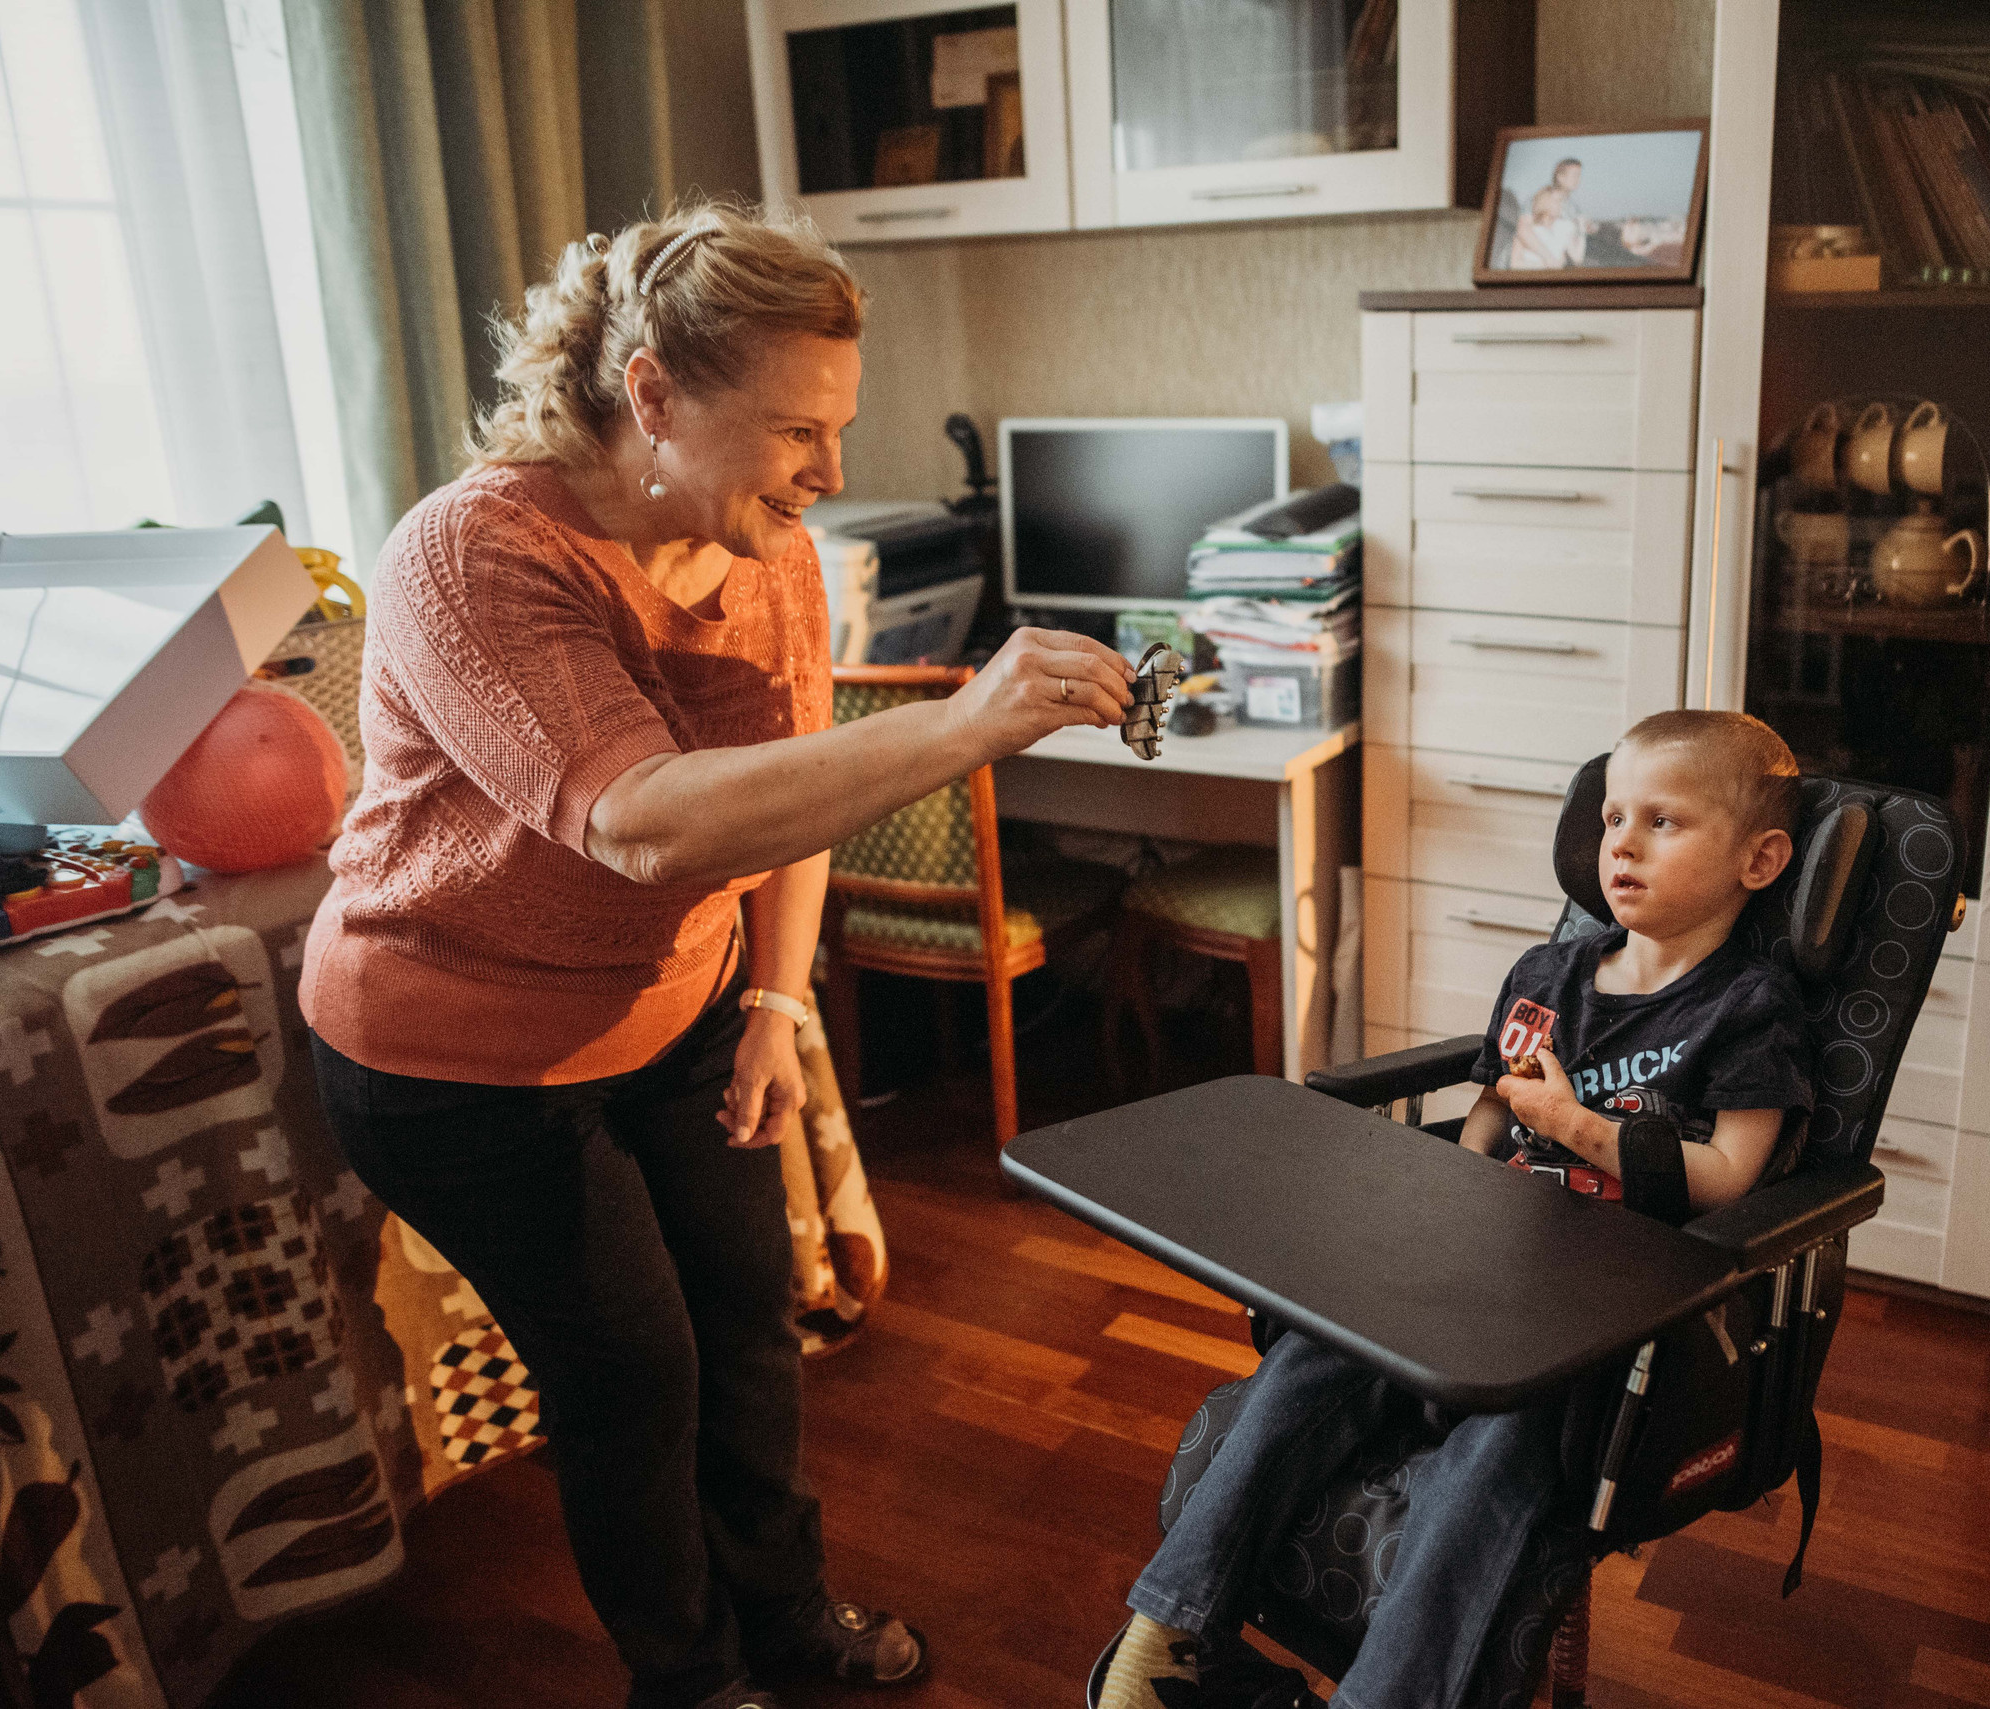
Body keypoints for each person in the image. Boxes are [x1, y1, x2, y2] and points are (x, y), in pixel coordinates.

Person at [298, 202, 1137, 1709]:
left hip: (679, 1008)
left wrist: (770, 1001)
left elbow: (799, 790)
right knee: (634, 1373)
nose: (831, 472)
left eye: (839, 429)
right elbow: (643, 822)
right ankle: (689, 1680)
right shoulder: (473, 554)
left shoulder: (774, 553)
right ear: (655, 396)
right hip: (457, 1057)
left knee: (750, 1323)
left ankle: (788, 1615)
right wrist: (961, 722)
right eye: (798, 432)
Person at [1097, 711, 1816, 1709]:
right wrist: (1433, 1213)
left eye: (1663, 821)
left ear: (1759, 859)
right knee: (1314, 1351)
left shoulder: (1749, 1008)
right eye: (1613, 817)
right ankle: (1167, 1632)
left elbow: (1733, 1173)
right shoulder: (1547, 975)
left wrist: (1576, 1125)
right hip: (1479, 1268)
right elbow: (1486, 1120)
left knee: (1496, 1454)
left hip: (1605, 1319)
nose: (1622, 843)